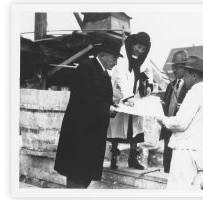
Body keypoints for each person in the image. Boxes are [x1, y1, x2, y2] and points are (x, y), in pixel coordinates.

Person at [54, 39, 122, 188]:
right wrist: (106, 109)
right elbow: (84, 97)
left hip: (91, 135)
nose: (116, 62)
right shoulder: (86, 68)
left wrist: (112, 105)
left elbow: (98, 96)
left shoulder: (101, 72)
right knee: (76, 174)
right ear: (103, 55)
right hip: (80, 134)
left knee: (85, 175)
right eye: (114, 58)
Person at [156, 55, 203, 190]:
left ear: (194, 75)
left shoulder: (194, 93)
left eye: (186, 75)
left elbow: (180, 123)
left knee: (177, 191)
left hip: (185, 153)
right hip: (199, 153)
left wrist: (162, 119)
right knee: (193, 191)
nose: (183, 79)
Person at [107, 32, 153, 170]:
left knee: (135, 128)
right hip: (121, 94)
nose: (139, 51)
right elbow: (120, 76)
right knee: (117, 126)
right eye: (138, 47)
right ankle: (114, 157)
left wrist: (149, 85)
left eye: (143, 49)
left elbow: (149, 71)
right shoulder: (122, 55)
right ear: (133, 43)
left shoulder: (144, 58)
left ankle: (133, 158)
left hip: (136, 97)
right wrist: (127, 96)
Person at [159, 50, 189, 173]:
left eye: (178, 67)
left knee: (178, 167)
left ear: (186, 67)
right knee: (167, 163)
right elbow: (166, 107)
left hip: (181, 133)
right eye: (173, 67)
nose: (175, 70)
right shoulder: (170, 85)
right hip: (168, 131)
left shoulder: (190, 86)